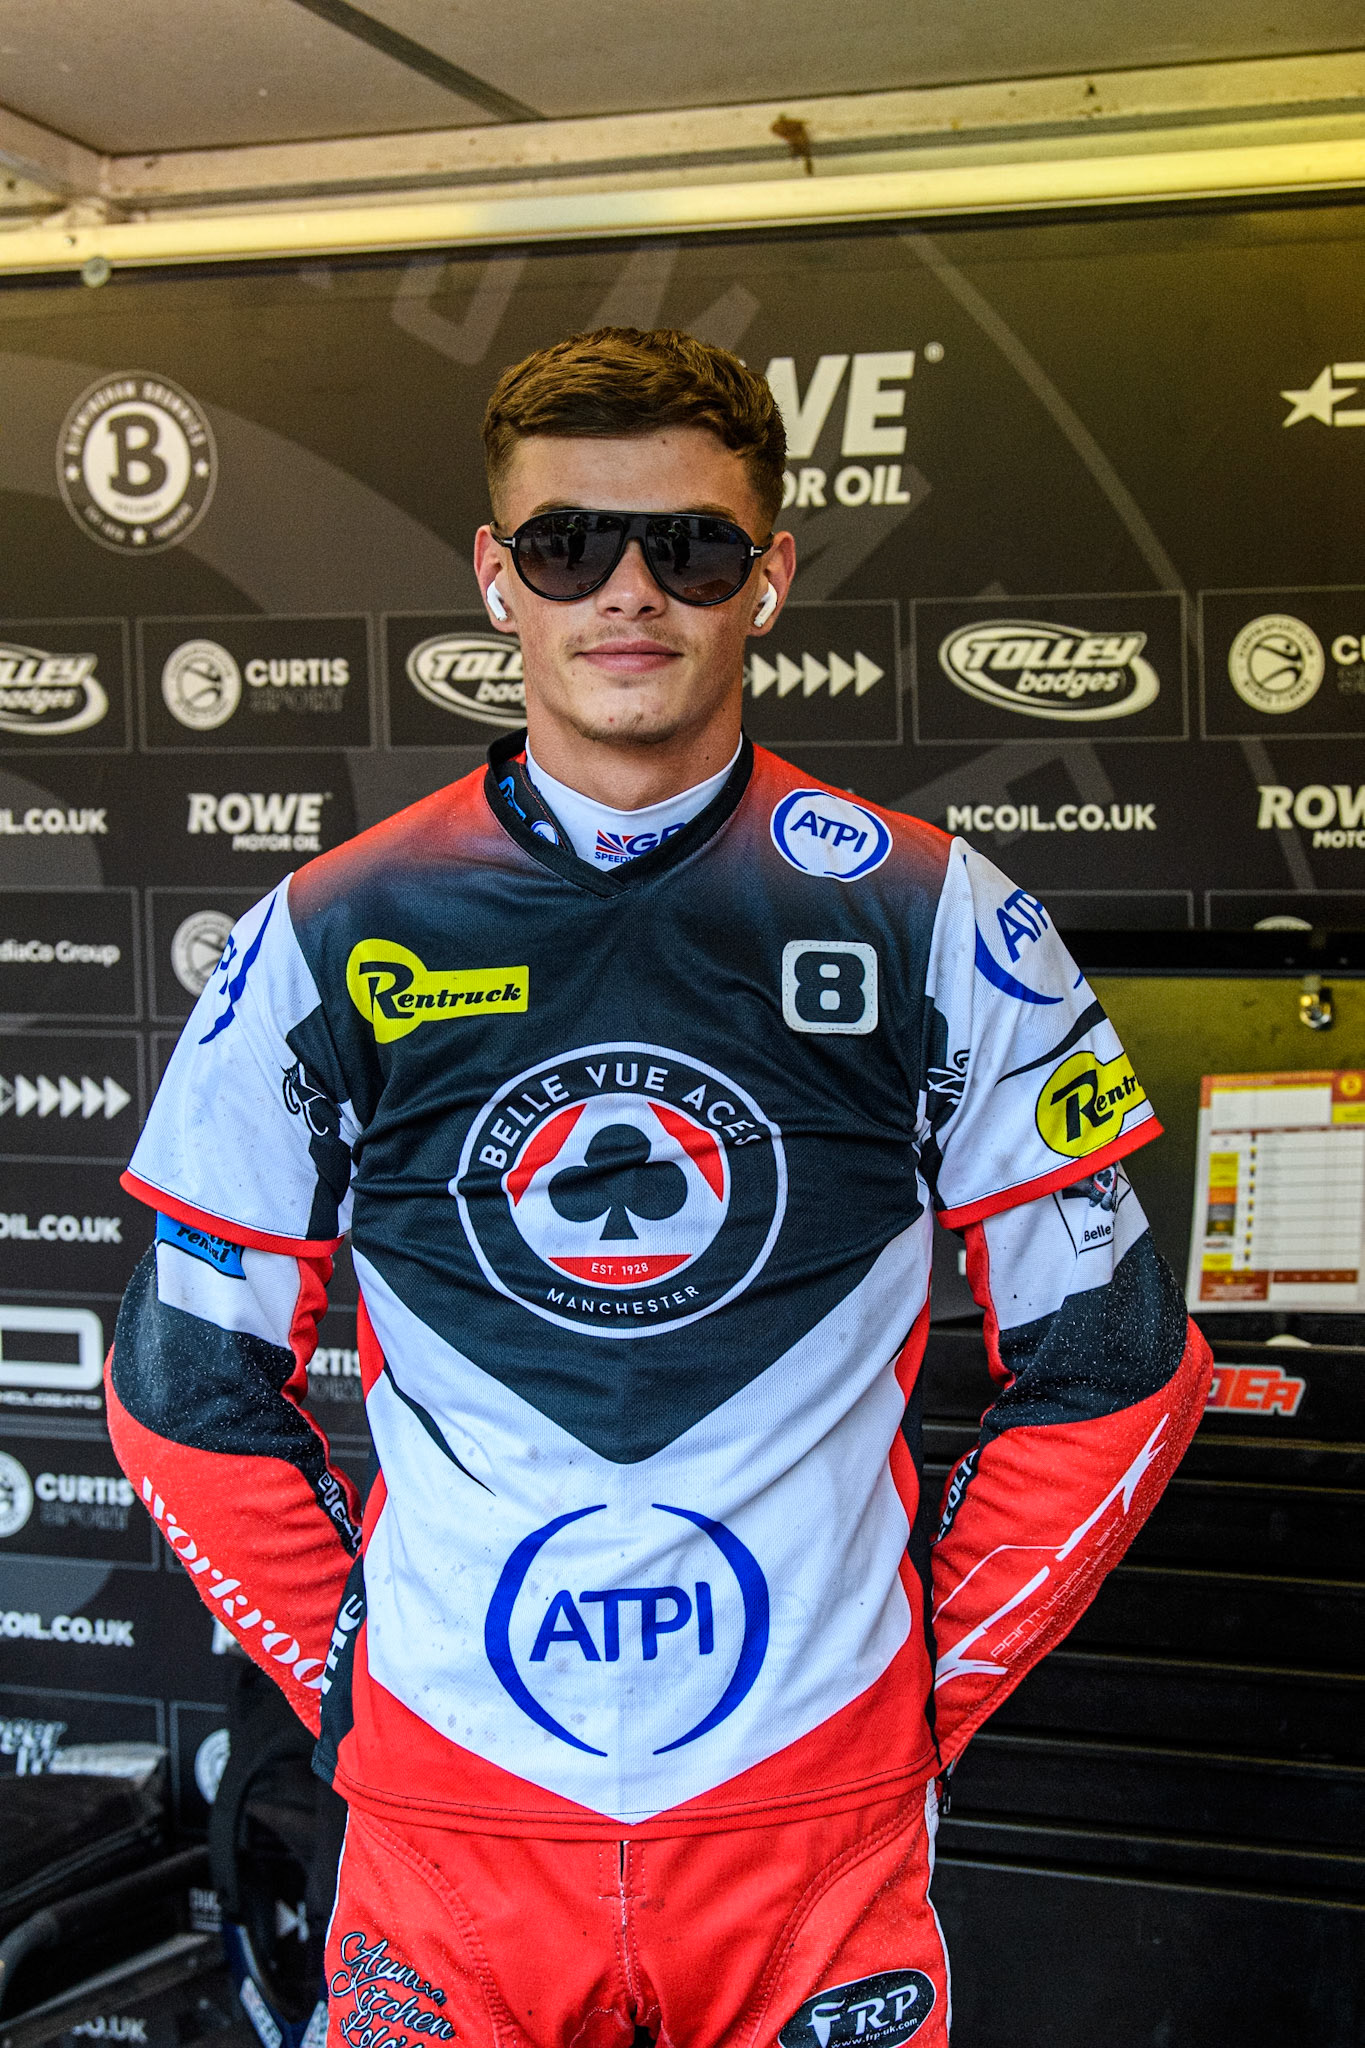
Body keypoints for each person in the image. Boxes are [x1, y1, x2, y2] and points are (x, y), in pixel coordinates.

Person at [107, 327, 1212, 2048]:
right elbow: (186, 1383)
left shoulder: (934, 919)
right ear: (497, 579)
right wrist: (358, 1693)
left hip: (809, 1834)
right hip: (453, 1830)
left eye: (688, 545)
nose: (629, 591)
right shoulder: (325, 934)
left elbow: (1115, 1361)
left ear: (766, 577)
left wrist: (921, 1691)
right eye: (568, 546)